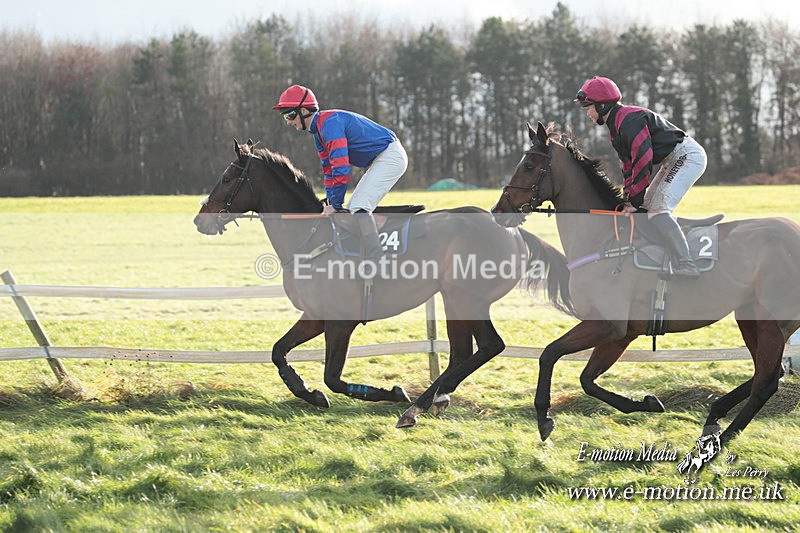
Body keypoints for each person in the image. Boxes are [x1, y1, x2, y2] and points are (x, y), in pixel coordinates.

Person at [575, 76, 707, 279]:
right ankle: (662, 252)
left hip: (687, 157)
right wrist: (629, 198)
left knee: (658, 210)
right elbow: (628, 166)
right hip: (671, 160)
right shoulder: (616, 127)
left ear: (602, 106)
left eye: (589, 107)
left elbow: (643, 160)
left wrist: (633, 200)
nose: (588, 113)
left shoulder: (630, 121)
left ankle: (687, 264)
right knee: (646, 208)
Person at [273, 84, 408, 277]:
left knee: (359, 207)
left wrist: (335, 203)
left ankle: (377, 260)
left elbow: (341, 168)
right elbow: (328, 171)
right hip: (380, 158)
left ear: (303, 111)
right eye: (285, 117)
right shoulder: (318, 132)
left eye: (289, 115)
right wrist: (330, 201)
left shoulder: (329, 124)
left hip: (389, 157)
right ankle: (362, 253)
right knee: (354, 208)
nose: (288, 122)